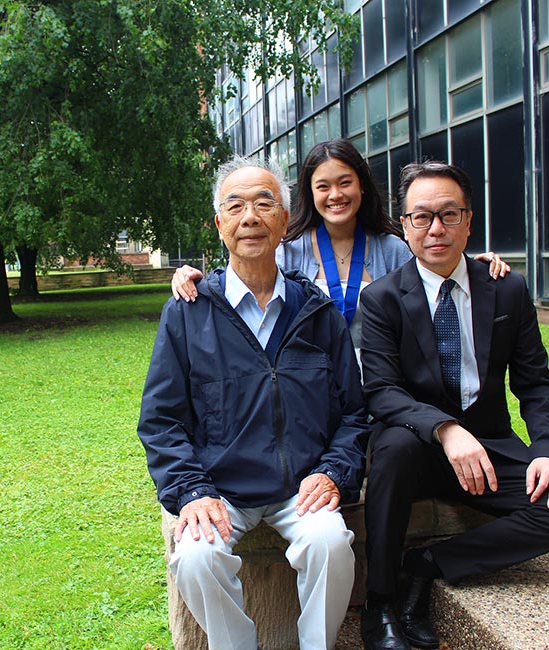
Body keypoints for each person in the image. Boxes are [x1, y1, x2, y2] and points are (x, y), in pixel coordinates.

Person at [138, 156, 368, 650]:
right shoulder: (188, 312)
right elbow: (160, 421)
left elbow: (353, 411)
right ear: (219, 224)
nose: (250, 217)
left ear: (285, 221)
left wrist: (332, 471)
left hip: (302, 485)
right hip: (220, 489)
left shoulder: (318, 311)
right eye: (235, 205)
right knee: (195, 558)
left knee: (330, 543)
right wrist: (191, 491)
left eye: (265, 203)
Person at [358, 161, 549, 650]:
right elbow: (382, 390)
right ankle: (380, 600)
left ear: (469, 219)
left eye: (448, 214)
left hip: (489, 445)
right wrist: (444, 428)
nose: (435, 228)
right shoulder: (381, 298)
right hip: (417, 446)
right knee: (394, 449)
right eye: (421, 217)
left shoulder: (506, 287)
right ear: (404, 225)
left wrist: (548, 451)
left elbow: (535, 383)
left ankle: (426, 564)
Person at [172, 139, 509, 356]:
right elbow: (245, 275)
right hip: (311, 381)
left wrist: (472, 266)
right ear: (310, 193)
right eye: (323, 186)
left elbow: (433, 282)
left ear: (361, 187)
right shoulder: (288, 248)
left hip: (383, 380)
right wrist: (190, 275)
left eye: (345, 182)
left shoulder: (393, 248)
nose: (335, 195)